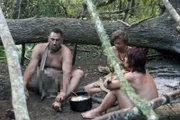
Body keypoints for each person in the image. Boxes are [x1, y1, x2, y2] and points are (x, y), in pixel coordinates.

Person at [81, 48, 158, 119]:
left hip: (141, 115)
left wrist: (111, 77)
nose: (124, 59)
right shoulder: (144, 72)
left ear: (131, 62)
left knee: (116, 90)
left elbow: (109, 86)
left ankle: (98, 111)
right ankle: (101, 110)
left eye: (126, 57)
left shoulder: (132, 76)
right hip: (152, 110)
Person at [23, 28, 84, 112]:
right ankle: (22, 100)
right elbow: (31, 66)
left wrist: (63, 91)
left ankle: (60, 100)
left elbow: (67, 72)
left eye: (57, 40)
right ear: (48, 38)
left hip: (58, 84)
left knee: (79, 73)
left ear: (62, 40)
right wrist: (24, 83)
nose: (54, 43)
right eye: (52, 39)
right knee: (20, 80)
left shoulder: (66, 52)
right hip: (41, 82)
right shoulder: (39, 48)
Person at [84, 30, 130, 94]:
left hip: (125, 78)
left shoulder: (132, 52)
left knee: (90, 90)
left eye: (119, 43)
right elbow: (111, 69)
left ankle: (112, 91)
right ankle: (109, 91)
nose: (116, 45)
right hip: (112, 76)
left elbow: (132, 71)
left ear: (125, 43)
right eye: (115, 43)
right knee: (86, 88)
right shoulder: (111, 50)